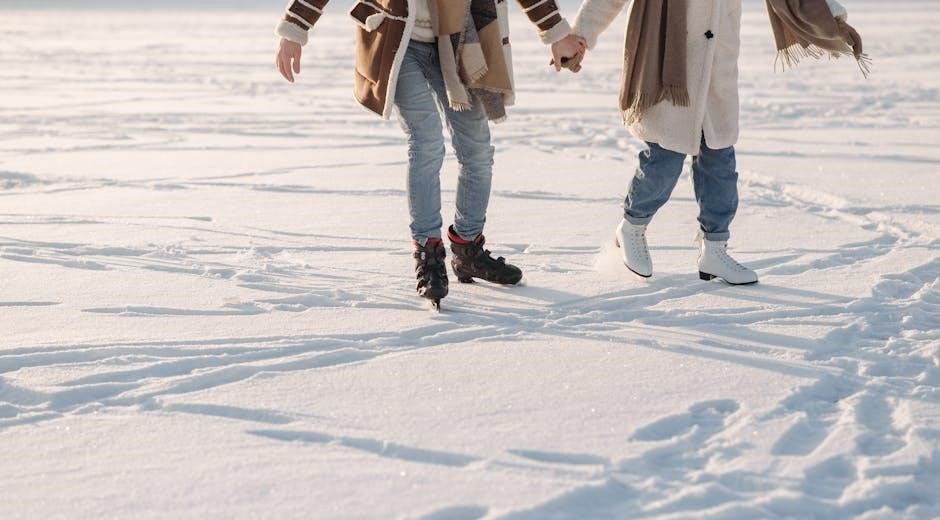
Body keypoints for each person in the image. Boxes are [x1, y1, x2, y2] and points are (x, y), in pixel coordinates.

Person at [274, 0, 586, 308]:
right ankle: (428, 251)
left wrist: (556, 33)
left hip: (456, 39)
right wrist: (294, 30)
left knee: (477, 149)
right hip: (400, 39)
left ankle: (468, 249)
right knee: (427, 142)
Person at [569, 0, 867, 285]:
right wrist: (580, 35)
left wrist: (832, 19)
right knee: (665, 158)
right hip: (667, 62)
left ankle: (714, 249)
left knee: (720, 162)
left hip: (717, 67)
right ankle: (632, 228)